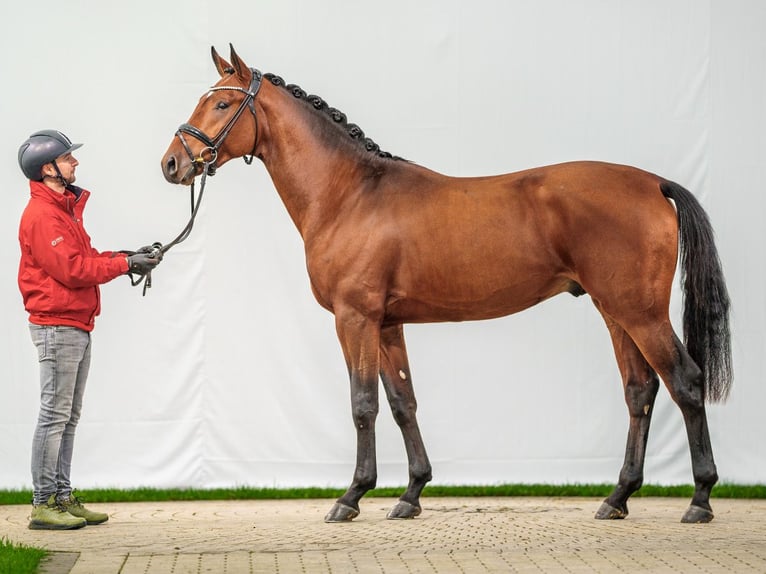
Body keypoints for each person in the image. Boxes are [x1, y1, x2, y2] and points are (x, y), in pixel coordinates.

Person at [17, 129, 161, 530]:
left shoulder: (62, 211)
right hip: (58, 325)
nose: (75, 163)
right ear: (48, 169)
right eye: (67, 158)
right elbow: (74, 270)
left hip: (73, 324)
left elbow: (86, 257)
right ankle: (43, 504)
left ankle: (61, 497)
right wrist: (125, 267)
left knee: (67, 415)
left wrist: (126, 256)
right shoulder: (44, 216)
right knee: (54, 415)